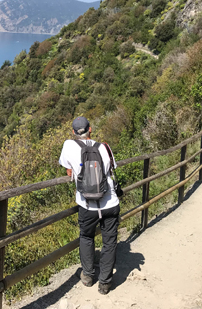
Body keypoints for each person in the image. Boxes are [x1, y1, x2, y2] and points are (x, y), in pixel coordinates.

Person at [59, 116, 120, 295]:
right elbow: (111, 169)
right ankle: (105, 284)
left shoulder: (69, 146)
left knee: (86, 237)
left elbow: (67, 168)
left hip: (87, 204)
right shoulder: (104, 147)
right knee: (109, 242)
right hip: (110, 202)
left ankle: (87, 276)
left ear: (73, 132)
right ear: (90, 129)